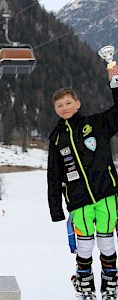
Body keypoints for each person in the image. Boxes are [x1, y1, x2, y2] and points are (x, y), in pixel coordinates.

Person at [47, 65, 118, 300]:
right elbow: (53, 175)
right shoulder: (57, 138)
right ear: (55, 110)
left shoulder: (97, 124)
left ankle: (111, 285)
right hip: (78, 201)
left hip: (106, 195)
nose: (64, 107)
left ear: (77, 103)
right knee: (84, 246)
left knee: (107, 243)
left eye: (68, 102)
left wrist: (114, 82)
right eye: (59, 105)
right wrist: (55, 207)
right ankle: (84, 283)